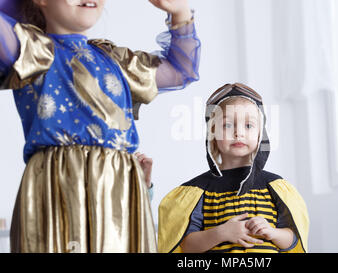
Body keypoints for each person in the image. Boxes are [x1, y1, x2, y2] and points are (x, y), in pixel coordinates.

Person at [0, 0, 200, 253]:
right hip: (59, 183)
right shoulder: (32, 50)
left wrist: (180, 12)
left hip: (119, 186)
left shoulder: (116, 60)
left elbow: (181, 70)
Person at [158, 83, 309, 253]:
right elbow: (186, 247)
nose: (238, 132)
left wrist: (271, 232)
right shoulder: (198, 191)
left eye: (248, 125)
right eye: (227, 125)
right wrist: (220, 233)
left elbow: (292, 240)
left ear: (261, 134)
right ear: (212, 134)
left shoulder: (275, 187)